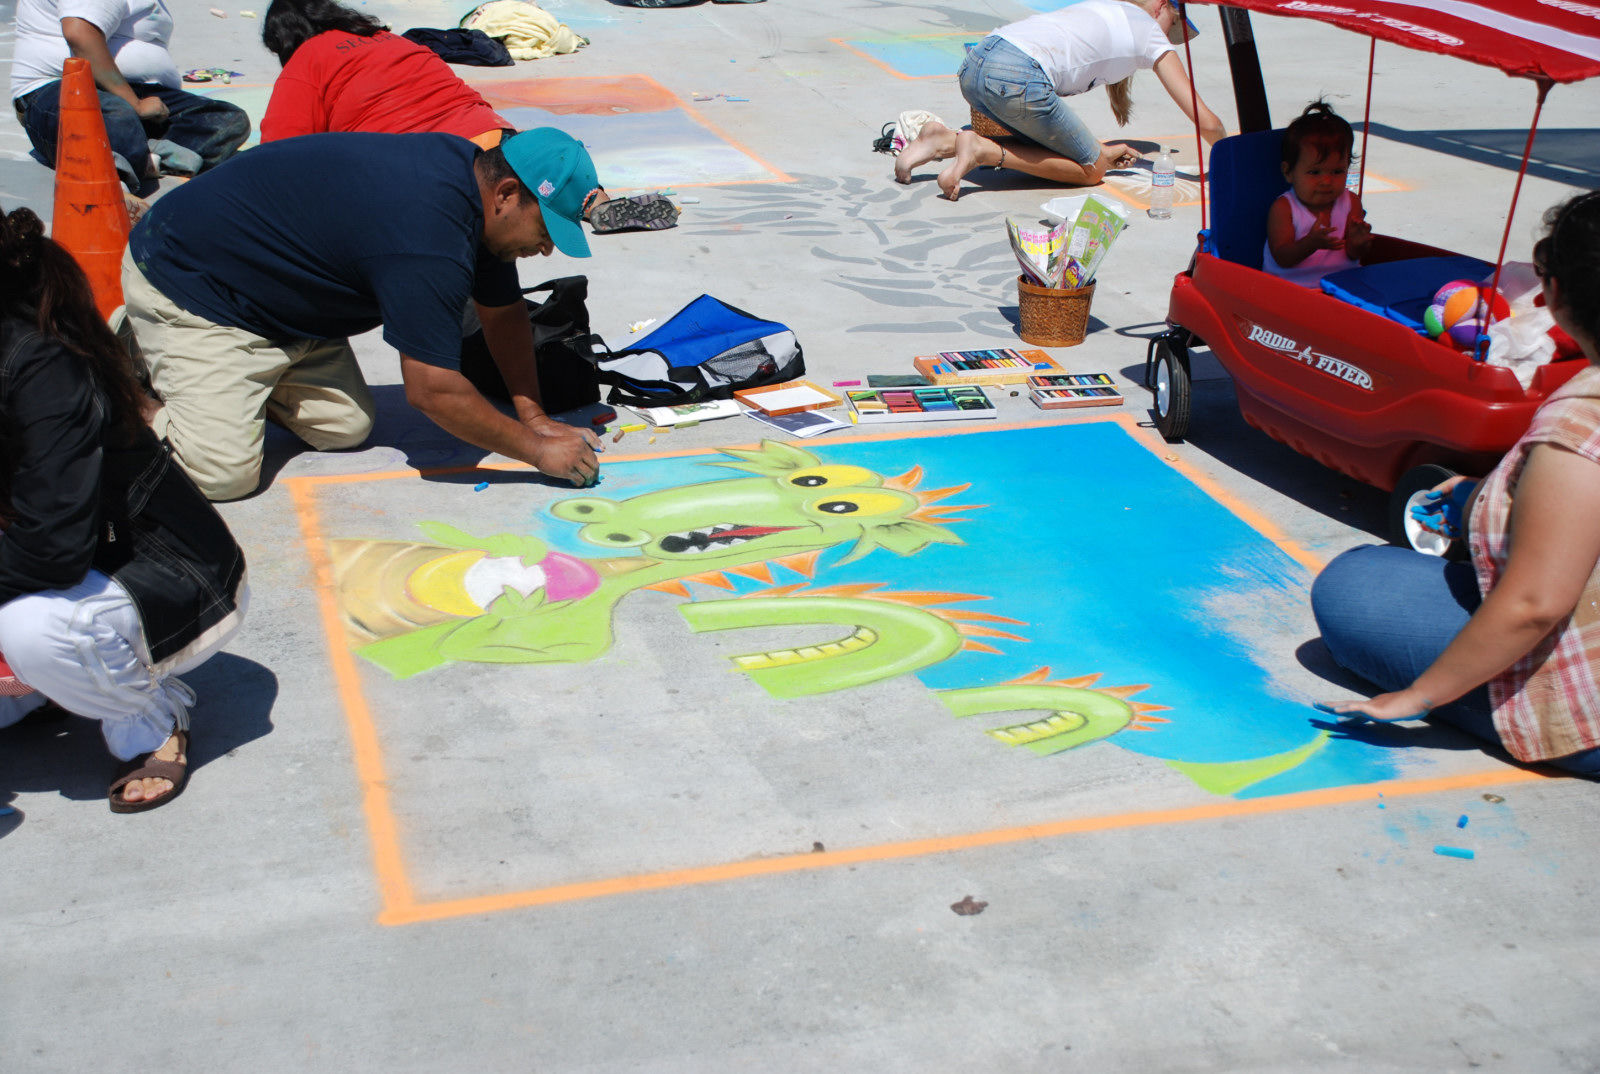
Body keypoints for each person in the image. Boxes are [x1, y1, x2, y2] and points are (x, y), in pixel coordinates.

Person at [121, 127, 604, 501]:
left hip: (283, 307)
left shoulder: (474, 186)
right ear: (506, 193)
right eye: (546, 229)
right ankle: (122, 367)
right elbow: (432, 391)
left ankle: (227, 383)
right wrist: (536, 450)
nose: (545, 250)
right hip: (193, 283)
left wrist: (534, 416)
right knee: (222, 474)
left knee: (344, 428)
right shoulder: (427, 235)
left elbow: (503, 314)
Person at [1311, 191, 1600, 776]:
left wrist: (1419, 698)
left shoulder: (1579, 424)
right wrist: (1490, 494)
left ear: (1558, 297)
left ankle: (1524, 717)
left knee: (1352, 586)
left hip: (1588, 708)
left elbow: (1535, 604)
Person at [0, 205, 249, 813]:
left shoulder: (41, 370)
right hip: (52, 570)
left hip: (165, 581)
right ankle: (55, 687)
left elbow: (51, 547)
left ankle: (150, 717)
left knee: (35, 631)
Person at [894, 0, 1225, 200]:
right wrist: (1234, 159)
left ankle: (944, 140)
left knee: (1077, 153)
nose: (1169, 37)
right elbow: (1204, 118)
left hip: (976, 65)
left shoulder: (1105, 9)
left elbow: (1054, 130)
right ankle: (981, 150)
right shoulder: (1150, 33)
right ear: (1160, 7)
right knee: (1092, 170)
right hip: (1014, 75)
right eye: (1174, 25)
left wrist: (1103, 148)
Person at [10, 0, 251, 194]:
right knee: (117, 118)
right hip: (59, 90)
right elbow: (80, 34)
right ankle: (135, 159)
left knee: (227, 121)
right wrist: (134, 104)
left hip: (126, 91)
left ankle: (141, 154)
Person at [259, 0, 510, 150]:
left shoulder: (307, 58)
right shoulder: (391, 39)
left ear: (283, 41)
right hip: (501, 142)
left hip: (432, 167)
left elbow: (275, 155)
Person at [1263, 101, 1372, 287]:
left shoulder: (1350, 202)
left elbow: (1353, 254)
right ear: (1288, 172)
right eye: (1315, 173)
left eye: (1337, 172)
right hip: (1291, 289)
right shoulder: (1284, 208)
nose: (1327, 181)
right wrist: (1309, 244)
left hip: (1340, 286)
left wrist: (1359, 242)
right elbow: (1282, 257)